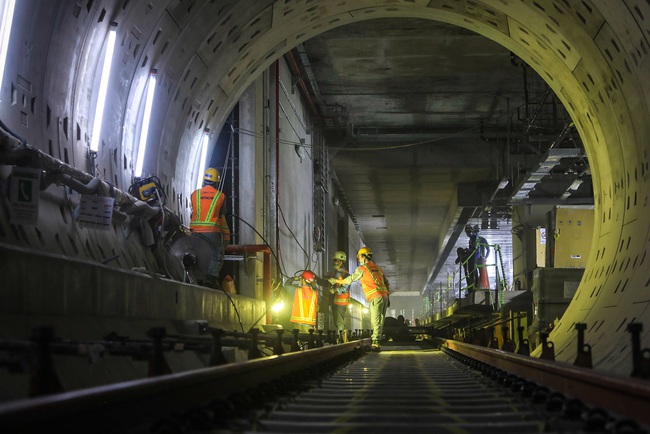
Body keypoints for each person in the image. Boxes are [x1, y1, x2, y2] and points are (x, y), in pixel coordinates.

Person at [329, 247, 389, 352]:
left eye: (360, 256)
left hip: (375, 296)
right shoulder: (379, 269)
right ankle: (377, 341)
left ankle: (375, 343)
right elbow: (386, 283)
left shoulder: (362, 269)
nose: (359, 259)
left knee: (375, 320)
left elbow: (349, 280)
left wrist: (335, 281)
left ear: (364, 257)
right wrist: (388, 297)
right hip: (384, 296)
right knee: (381, 320)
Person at [190, 167, 229, 289]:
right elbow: (221, 216)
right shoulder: (220, 196)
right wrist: (226, 236)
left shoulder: (195, 194)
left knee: (196, 254)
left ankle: (194, 276)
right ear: (217, 182)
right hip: (211, 232)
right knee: (217, 254)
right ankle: (211, 279)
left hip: (195, 232)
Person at [325, 251, 350, 341]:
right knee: (336, 322)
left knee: (339, 322)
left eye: (336, 260)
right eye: (334, 260)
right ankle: (343, 339)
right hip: (334, 301)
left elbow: (345, 288)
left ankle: (342, 340)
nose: (334, 262)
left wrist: (335, 290)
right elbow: (328, 283)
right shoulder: (334, 274)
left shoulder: (346, 274)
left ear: (342, 261)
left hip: (341, 302)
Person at [469, 225, 490, 289]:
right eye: (475, 231)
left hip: (480, 259)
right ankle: (475, 286)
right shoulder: (472, 240)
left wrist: (485, 257)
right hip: (474, 259)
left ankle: (482, 286)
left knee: (482, 273)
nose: (476, 233)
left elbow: (488, 249)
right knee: (474, 273)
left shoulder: (482, 239)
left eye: (477, 231)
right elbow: (470, 249)